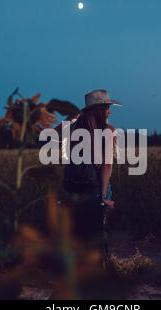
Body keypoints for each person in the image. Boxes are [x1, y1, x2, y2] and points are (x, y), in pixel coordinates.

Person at [55, 89, 122, 266]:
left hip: (71, 189)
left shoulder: (73, 130)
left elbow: (52, 136)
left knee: (75, 234)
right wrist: (104, 198)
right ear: (99, 110)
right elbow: (107, 166)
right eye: (107, 107)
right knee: (96, 237)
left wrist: (71, 117)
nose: (109, 111)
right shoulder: (108, 131)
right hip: (95, 191)